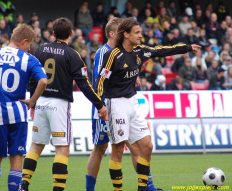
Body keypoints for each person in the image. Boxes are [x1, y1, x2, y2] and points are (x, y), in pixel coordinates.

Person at [95, 17, 200, 191]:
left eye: (140, 33)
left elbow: (162, 50)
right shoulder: (113, 54)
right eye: (136, 33)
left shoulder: (140, 51)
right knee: (118, 150)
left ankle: (142, 189)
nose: (140, 36)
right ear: (126, 34)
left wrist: (187, 48)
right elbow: (100, 81)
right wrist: (100, 105)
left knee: (147, 146)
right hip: (116, 104)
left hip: (132, 102)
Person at [21, 17, 108, 191]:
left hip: (41, 102)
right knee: (62, 148)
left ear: (53, 33)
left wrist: (33, 101)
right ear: (70, 34)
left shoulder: (40, 50)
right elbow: (83, 84)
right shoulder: (72, 54)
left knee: (36, 146)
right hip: (59, 105)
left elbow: (32, 79)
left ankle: (24, 186)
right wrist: (100, 105)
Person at [86, 17, 162, 191]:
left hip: (123, 104)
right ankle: (89, 188)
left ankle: (148, 186)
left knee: (136, 147)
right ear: (113, 33)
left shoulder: (128, 51)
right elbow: (99, 80)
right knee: (100, 148)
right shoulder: (103, 52)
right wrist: (101, 106)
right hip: (105, 106)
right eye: (121, 31)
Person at [0, 24, 48, 191]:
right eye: (29, 44)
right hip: (18, 112)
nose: (29, 48)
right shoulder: (29, 59)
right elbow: (43, 81)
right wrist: (32, 100)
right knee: (16, 156)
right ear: (24, 41)